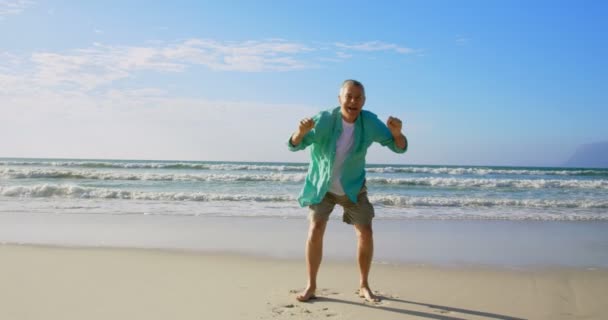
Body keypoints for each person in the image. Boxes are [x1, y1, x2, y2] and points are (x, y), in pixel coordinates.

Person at [287, 79, 408, 302]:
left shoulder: (369, 122)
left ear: (364, 101)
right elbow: (295, 145)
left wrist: (397, 133)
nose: (353, 101)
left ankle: (364, 285)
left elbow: (398, 147)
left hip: (353, 187)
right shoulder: (323, 120)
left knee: (366, 233)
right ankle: (311, 285)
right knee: (315, 229)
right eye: (349, 96)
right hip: (322, 185)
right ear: (340, 99)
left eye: (358, 97)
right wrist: (300, 132)